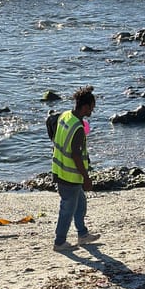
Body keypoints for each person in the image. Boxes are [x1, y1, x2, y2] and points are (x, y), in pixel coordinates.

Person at [51, 86, 100, 252]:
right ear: (85, 107)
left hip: (59, 169)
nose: (93, 110)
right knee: (67, 208)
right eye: (92, 107)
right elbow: (76, 156)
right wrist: (86, 178)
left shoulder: (65, 115)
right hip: (70, 176)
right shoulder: (78, 129)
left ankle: (83, 234)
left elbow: (52, 129)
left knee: (80, 203)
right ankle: (59, 242)